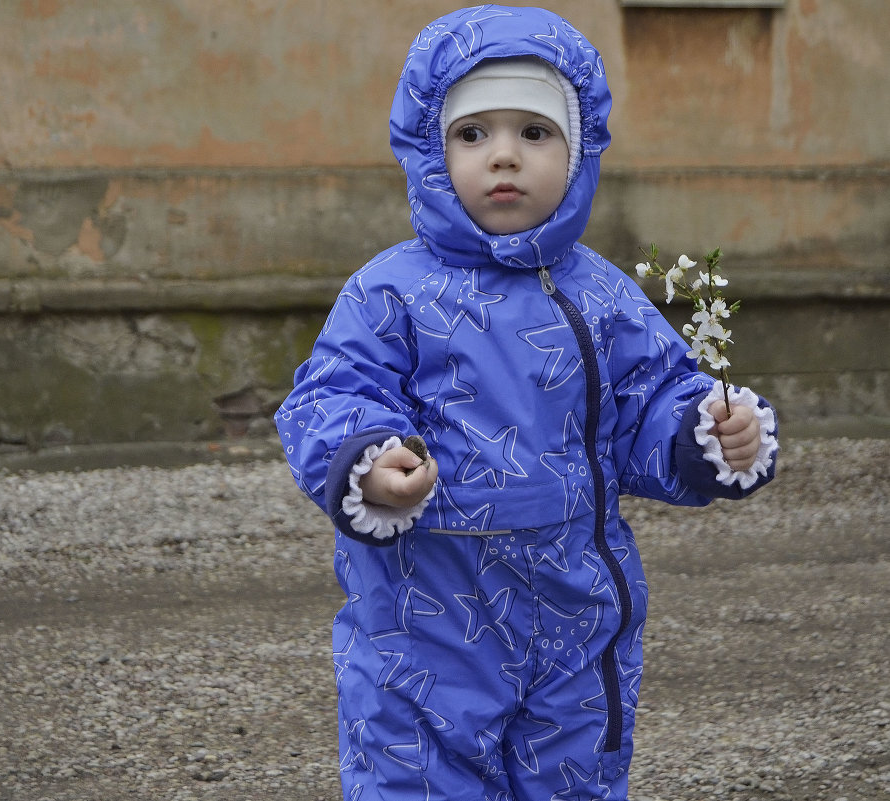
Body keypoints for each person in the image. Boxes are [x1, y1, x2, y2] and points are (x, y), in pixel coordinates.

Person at [274, 6, 779, 800]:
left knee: (572, 777)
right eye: (473, 134)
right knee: (421, 777)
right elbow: (333, 392)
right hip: (429, 622)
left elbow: (648, 403)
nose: (504, 156)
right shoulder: (391, 291)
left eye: (534, 133)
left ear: (578, 151)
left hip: (575, 616)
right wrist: (369, 459)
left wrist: (709, 433)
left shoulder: (602, 294)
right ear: (431, 152)